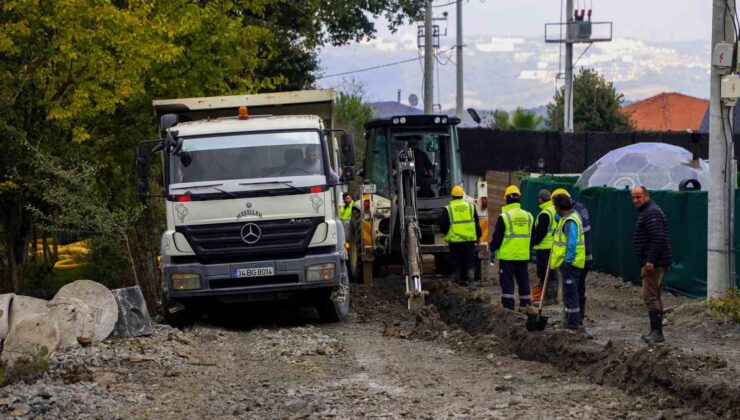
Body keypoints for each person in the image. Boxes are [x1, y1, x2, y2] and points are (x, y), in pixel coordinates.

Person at [632, 186, 672, 344]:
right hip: (657, 261)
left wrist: (650, 261)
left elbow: (659, 238)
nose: (635, 200)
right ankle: (656, 332)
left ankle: (656, 333)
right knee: (655, 295)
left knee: (650, 296)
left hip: (655, 263)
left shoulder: (651, 213)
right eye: (633, 198)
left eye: (638, 197)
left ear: (647, 196)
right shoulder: (649, 211)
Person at [489, 185, 534, 313]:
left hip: (507, 257)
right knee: (523, 281)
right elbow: (533, 235)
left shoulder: (504, 217)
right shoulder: (529, 216)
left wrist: (492, 248)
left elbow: (497, 237)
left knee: (507, 283)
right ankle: (526, 305)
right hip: (523, 256)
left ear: (506, 199)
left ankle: (508, 308)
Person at [552, 188, 593, 326]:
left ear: (558, 207)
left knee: (571, 296)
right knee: (569, 294)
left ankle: (572, 326)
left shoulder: (570, 221)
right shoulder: (573, 214)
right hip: (573, 263)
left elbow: (571, 244)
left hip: (571, 264)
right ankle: (570, 323)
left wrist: (567, 262)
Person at [440, 185, 482, 286]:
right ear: (462, 196)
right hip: (469, 240)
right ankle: (471, 282)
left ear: (452, 196)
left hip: (455, 241)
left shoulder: (448, 209)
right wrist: (478, 236)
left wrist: (447, 234)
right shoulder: (470, 207)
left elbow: (443, 225)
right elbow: (476, 222)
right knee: (469, 260)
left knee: (456, 260)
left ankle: (456, 280)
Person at [530, 189, 559, 306]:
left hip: (545, 247)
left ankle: (547, 298)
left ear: (540, 199)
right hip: (555, 246)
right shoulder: (555, 210)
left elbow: (540, 233)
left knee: (544, 272)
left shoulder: (545, 213)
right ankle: (553, 297)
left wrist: (532, 244)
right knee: (553, 271)